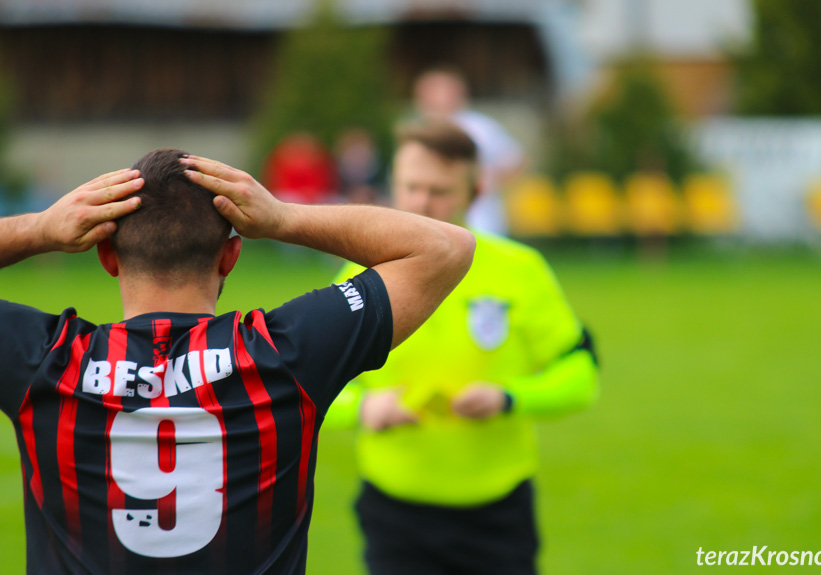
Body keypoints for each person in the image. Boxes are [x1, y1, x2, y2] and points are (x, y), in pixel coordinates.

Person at [0, 148, 475, 574]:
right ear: (230, 256)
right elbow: (445, 247)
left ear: (107, 256)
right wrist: (284, 219)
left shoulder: (46, 362)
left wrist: (38, 228)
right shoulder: (280, 356)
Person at [326, 123, 599, 575]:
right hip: (394, 513)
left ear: (477, 191)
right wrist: (363, 407)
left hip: (497, 513)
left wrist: (510, 397)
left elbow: (582, 376)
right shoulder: (360, 275)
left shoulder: (520, 270)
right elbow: (304, 386)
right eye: (412, 187)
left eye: (440, 190)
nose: (422, 203)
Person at [413, 66, 525, 236]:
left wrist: (489, 182)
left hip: (480, 217)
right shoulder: (417, 129)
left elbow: (516, 160)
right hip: (430, 217)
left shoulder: (480, 127)